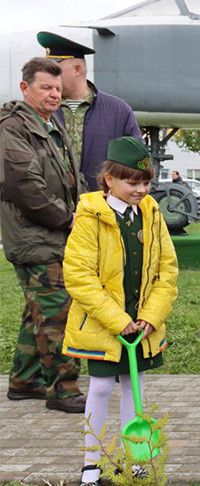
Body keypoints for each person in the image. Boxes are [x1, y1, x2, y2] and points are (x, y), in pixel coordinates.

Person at [61, 136, 178, 486]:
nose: (141, 189)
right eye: (132, 181)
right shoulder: (89, 217)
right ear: (109, 178)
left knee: (134, 386)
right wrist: (118, 320)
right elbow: (79, 276)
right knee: (99, 388)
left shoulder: (151, 215)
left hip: (141, 326)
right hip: (104, 324)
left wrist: (149, 317)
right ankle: (91, 463)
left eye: (146, 182)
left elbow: (167, 271)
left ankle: (137, 458)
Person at [1, 57, 88, 413]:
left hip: (52, 237)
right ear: (25, 88)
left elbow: (67, 178)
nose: (54, 94)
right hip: (35, 238)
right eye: (45, 88)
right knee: (57, 313)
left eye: (57, 88)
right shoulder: (11, 128)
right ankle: (64, 389)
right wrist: (70, 220)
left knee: (37, 310)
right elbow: (27, 188)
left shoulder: (49, 123)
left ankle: (25, 380)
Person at [38, 31, 142, 191]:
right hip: (52, 211)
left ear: (77, 69)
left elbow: (136, 163)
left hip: (102, 211)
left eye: (53, 70)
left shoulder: (118, 111)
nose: (47, 76)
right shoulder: (40, 109)